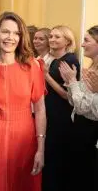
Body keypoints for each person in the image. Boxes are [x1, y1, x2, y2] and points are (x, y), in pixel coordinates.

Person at [0, 12, 46, 191]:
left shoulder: (32, 67)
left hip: (24, 136)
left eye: (16, 33)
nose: (10, 37)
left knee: (22, 184)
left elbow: (40, 109)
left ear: (21, 37)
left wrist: (41, 148)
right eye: (5, 32)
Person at [57, 25, 98, 190]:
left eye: (86, 40)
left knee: (85, 177)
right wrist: (71, 83)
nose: (82, 45)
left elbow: (87, 108)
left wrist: (73, 82)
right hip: (79, 127)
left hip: (90, 131)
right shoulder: (91, 67)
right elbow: (74, 102)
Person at [42, 25, 80, 191]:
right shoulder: (54, 60)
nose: (52, 39)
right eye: (51, 36)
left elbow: (67, 95)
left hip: (61, 117)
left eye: (57, 37)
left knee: (56, 157)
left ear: (67, 41)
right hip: (49, 113)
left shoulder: (70, 60)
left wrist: (46, 76)